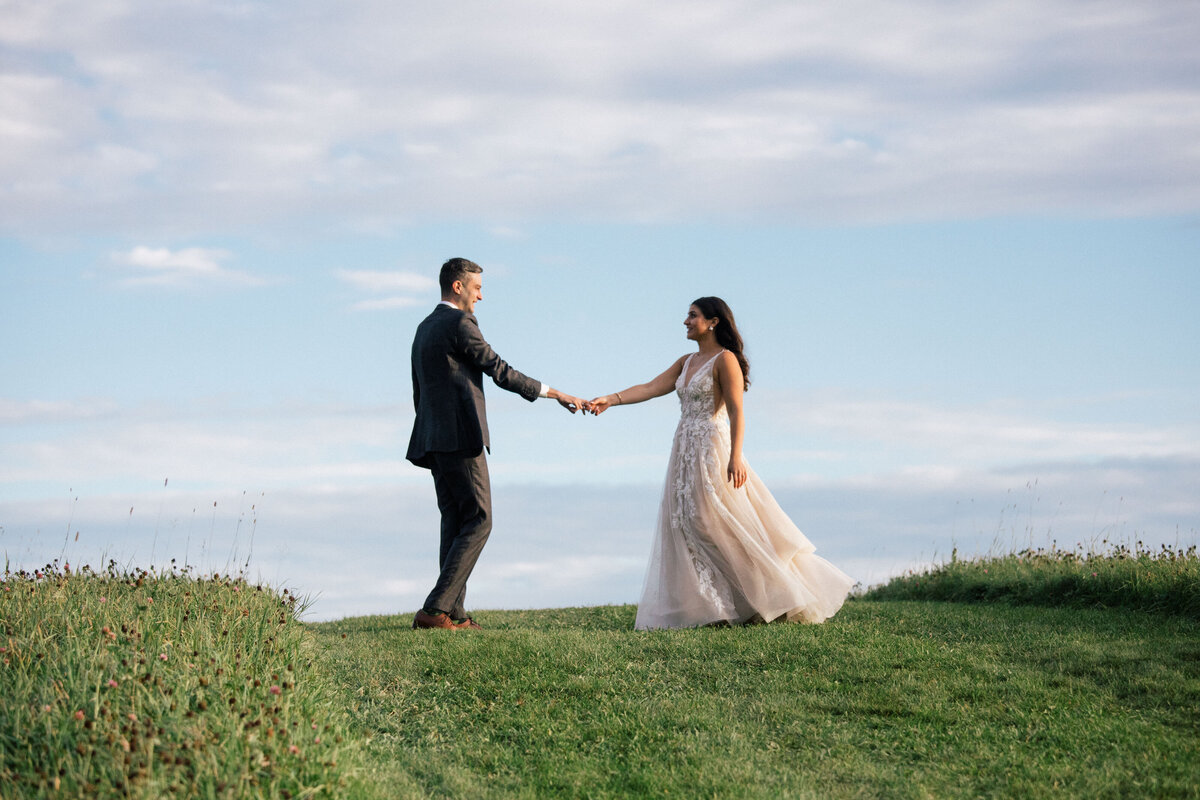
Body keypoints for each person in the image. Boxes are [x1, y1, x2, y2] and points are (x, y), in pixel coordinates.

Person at [590, 297, 854, 630]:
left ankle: (773, 595)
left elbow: (736, 410)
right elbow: (652, 386)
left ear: (713, 322)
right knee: (684, 522)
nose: (686, 321)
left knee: (714, 521)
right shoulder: (686, 361)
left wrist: (736, 455)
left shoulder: (725, 360)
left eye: (693, 316)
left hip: (713, 447)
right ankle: (715, 607)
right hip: (684, 446)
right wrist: (610, 400)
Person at [406, 257, 590, 630]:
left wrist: (431, 433)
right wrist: (554, 393)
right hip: (460, 437)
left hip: (433, 439)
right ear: (458, 287)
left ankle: (453, 613)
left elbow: (418, 390)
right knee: (480, 520)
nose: (481, 296)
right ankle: (435, 609)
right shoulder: (460, 323)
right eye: (477, 288)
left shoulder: (423, 327)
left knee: (455, 522)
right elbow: (498, 370)